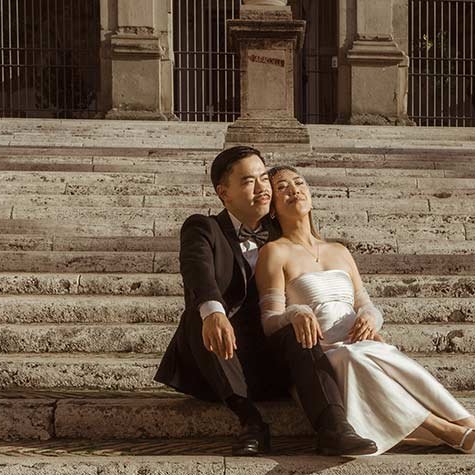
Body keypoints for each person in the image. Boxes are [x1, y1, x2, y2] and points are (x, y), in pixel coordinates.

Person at [255, 165, 475, 455]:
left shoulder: (339, 251)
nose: (294, 190)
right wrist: (295, 312)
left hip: (362, 343)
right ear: (272, 208)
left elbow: (367, 305)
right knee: (350, 357)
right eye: (282, 187)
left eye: (299, 183)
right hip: (323, 355)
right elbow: (270, 321)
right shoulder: (274, 252)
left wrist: (370, 318)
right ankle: (447, 430)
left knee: (372, 353)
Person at [155, 146, 377, 457]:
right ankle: (251, 423)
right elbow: (197, 273)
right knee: (201, 313)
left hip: (274, 358)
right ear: (224, 193)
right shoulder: (204, 228)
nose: (262, 188)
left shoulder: (282, 235)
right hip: (219, 358)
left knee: (298, 322)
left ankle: (334, 428)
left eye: (264, 179)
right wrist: (213, 312)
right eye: (248, 181)